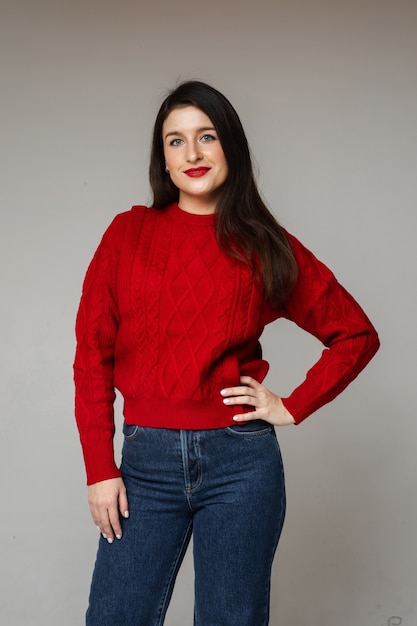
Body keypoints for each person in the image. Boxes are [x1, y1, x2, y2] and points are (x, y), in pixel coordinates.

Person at [73, 80, 379, 626]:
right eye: (175, 141)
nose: (191, 154)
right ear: (162, 158)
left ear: (230, 147)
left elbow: (355, 333)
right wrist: (100, 466)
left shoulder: (261, 243)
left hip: (242, 464)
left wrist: (290, 404)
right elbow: (91, 356)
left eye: (206, 136)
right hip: (145, 466)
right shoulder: (127, 234)